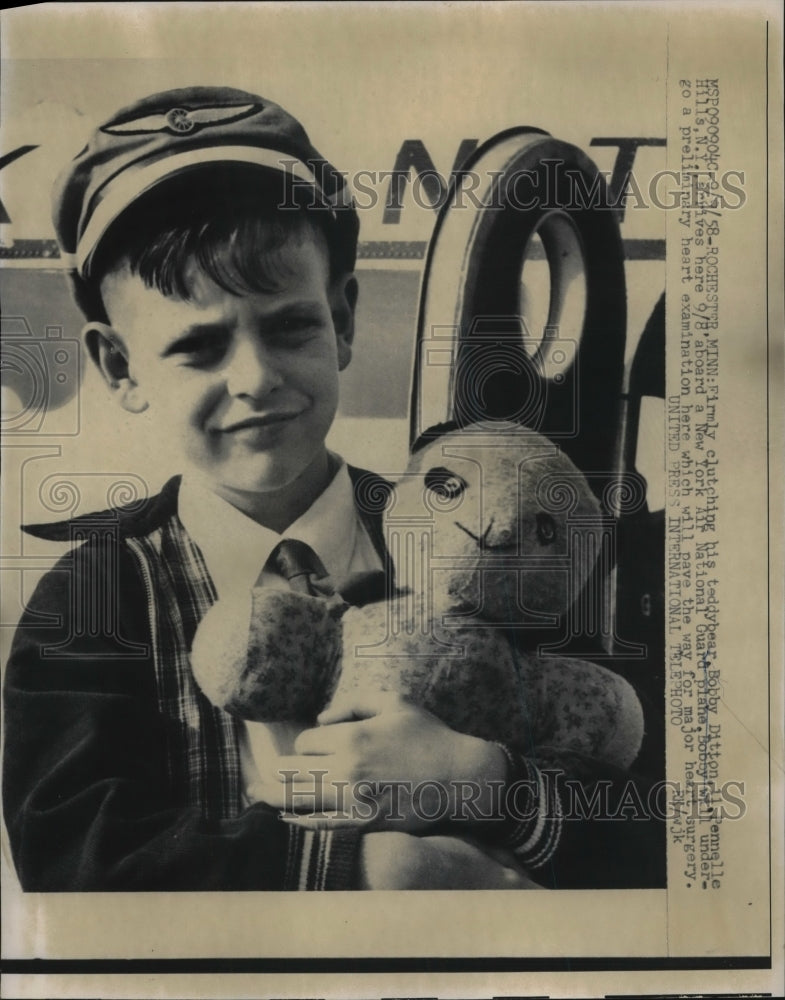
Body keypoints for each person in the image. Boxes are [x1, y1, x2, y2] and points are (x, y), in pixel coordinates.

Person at [2, 86, 664, 891]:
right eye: (198, 346)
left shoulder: (473, 538)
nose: (255, 379)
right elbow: (77, 865)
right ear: (118, 367)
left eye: (290, 326)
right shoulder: (93, 598)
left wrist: (485, 782)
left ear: (343, 320)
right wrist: (372, 867)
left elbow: (653, 819)